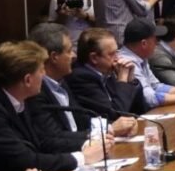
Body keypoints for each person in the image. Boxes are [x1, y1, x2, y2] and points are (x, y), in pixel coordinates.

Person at [0, 41, 106, 171]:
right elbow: (24, 160)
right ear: (28, 80)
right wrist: (82, 158)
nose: (44, 75)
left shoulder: (22, 99)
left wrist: (87, 143)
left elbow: (43, 141)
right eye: (41, 70)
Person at [27, 23, 134, 153]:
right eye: (69, 51)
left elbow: (82, 119)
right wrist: (108, 130)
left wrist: (110, 127)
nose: (74, 56)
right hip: (69, 157)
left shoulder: (62, 82)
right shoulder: (36, 92)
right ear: (54, 57)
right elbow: (51, 139)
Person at [66, 28, 146, 120]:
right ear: (94, 58)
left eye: (117, 52)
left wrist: (130, 80)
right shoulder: (81, 78)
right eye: (112, 54)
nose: (117, 58)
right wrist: (122, 80)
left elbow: (139, 111)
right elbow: (116, 115)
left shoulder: (106, 72)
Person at [119, 18, 175, 109]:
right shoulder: (127, 62)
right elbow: (149, 98)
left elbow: (156, 86)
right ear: (144, 44)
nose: (158, 44)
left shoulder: (141, 57)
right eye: (156, 40)